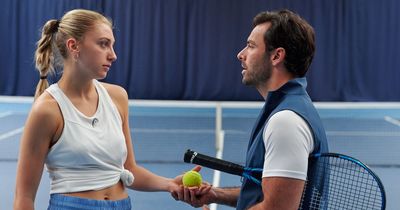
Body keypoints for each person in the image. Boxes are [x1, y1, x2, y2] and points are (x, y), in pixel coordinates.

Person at [13, 9, 189, 210]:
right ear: (74, 46)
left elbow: (127, 169)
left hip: (123, 205)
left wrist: (169, 184)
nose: (113, 55)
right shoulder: (46, 110)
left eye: (112, 45)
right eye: (103, 44)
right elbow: (24, 198)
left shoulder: (118, 97)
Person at [177, 9, 329, 210]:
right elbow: (267, 192)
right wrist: (214, 195)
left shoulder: (286, 121)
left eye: (251, 46)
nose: (241, 54)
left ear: (276, 56)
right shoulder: (287, 108)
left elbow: (277, 208)